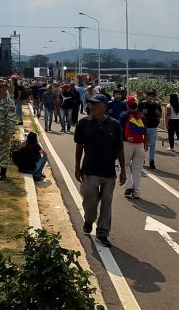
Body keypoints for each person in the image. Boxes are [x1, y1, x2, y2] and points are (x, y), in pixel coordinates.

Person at [74, 93, 126, 248]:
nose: (92, 106)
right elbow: (79, 146)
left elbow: (119, 149)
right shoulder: (83, 123)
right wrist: (77, 167)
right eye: (91, 104)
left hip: (108, 171)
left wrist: (123, 170)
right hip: (90, 169)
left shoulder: (115, 125)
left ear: (104, 107)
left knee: (107, 202)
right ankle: (89, 219)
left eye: (95, 104)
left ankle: (103, 232)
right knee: (89, 198)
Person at [118, 97, 148, 200]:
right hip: (140, 144)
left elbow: (120, 129)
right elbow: (146, 132)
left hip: (127, 143)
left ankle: (129, 186)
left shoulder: (124, 115)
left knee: (124, 165)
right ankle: (137, 193)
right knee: (137, 169)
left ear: (127, 105)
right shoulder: (142, 116)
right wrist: (145, 146)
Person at [139, 90, 162, 169]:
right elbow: (136, 114)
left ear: (155, 97)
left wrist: (158, 113)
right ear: (146, 97)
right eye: (149, 96)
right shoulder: (142, 104)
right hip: (143, 127)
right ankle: (141, 158)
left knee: (152, 144)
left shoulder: (157, 105)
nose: (151, 98)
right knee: (142, 144)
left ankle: (151, 161)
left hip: (153, 127)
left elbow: (160, 115)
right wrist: (142, 113)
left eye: (153, 96)